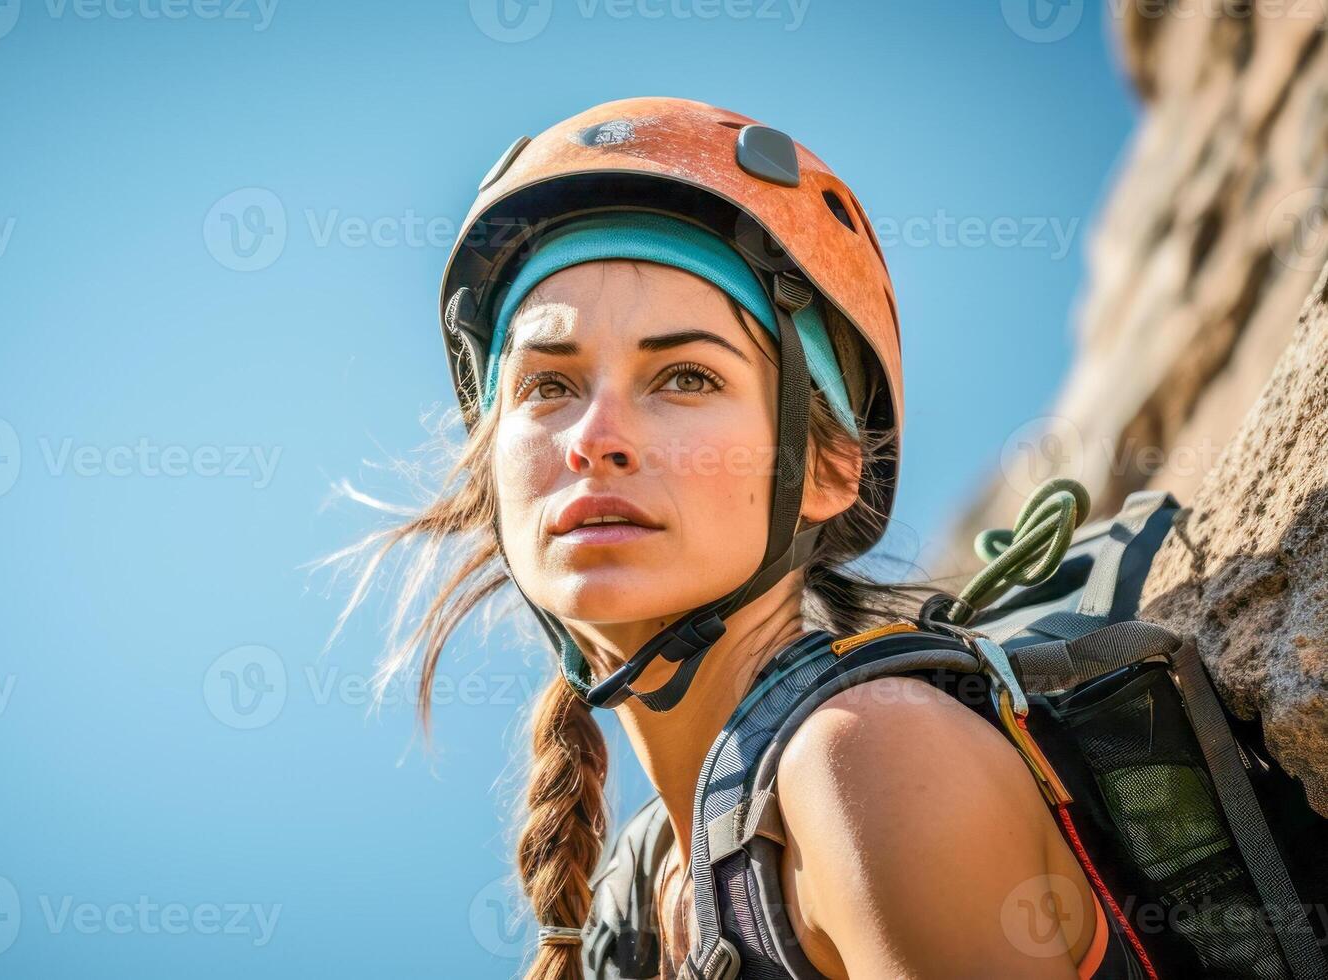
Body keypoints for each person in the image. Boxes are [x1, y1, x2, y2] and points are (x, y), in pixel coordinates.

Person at [337, 97, 1143, 979]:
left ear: (830, 468)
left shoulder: (868, 755)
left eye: (684, 377)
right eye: (545, 386)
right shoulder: (635, 908)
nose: (593, 436)